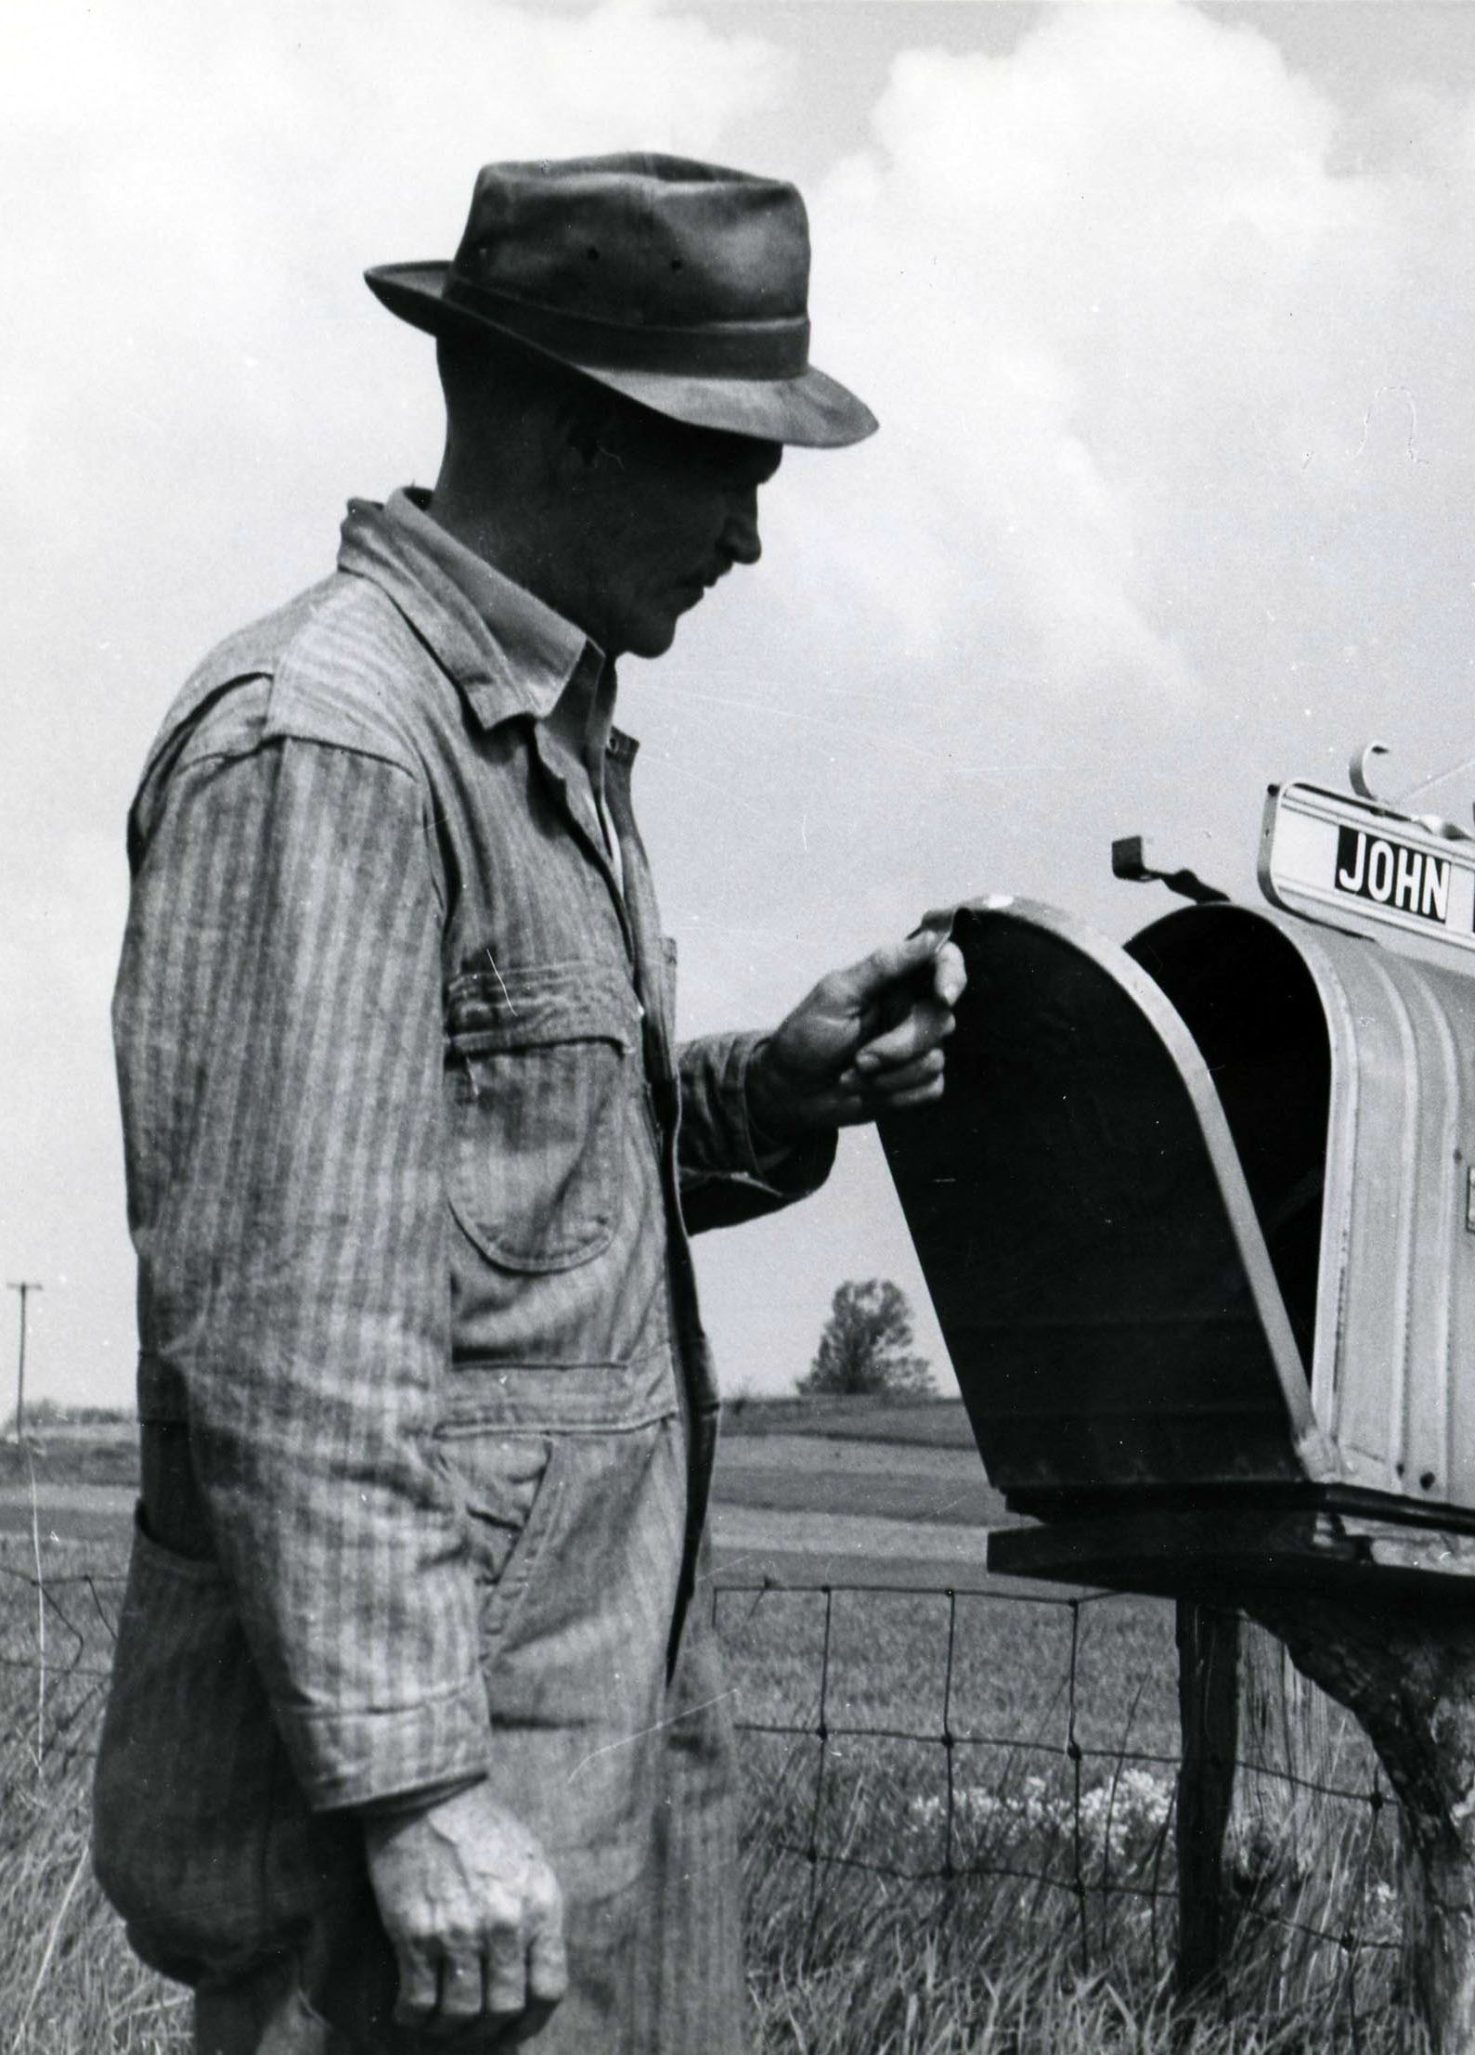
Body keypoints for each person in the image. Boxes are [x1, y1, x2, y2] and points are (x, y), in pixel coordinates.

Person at [93, 154, 963, 2051]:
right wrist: (414, 1796)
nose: (749, 536)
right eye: (734, 464)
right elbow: (287, 1337)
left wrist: (760, 1094)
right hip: (409, 1871)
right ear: (579, 430)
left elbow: (494, 1197)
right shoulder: (328, 742)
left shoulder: (525, 742)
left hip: (578, 1799)